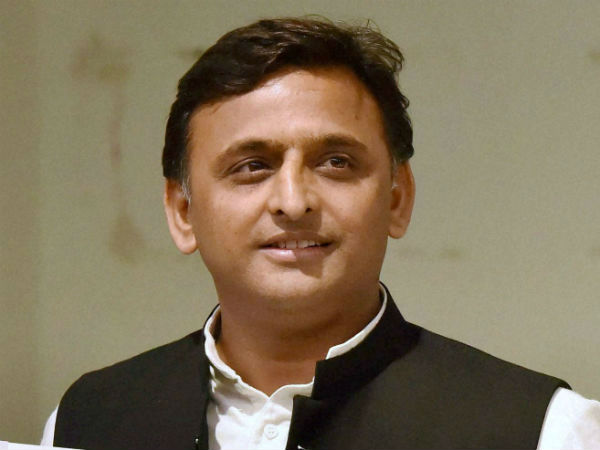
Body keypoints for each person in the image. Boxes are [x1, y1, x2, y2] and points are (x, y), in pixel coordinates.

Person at [41, 17, 600, 450]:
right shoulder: (87, 421)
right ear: (183, 212)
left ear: (397, 199)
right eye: (252, 166)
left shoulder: (541, 429)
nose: (293, 202)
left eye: (336, 162)